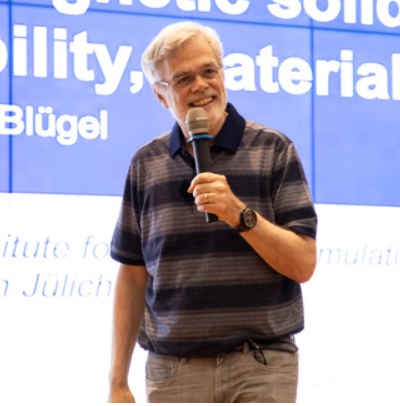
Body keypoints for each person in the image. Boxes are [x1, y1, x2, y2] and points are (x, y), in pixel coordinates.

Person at [108, 21, 318, 403]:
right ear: (161, 96)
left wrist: (240, 214)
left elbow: (303, 263)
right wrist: (117, 382)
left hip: (260, 364)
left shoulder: (274, 150)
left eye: (209, 71)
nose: (201, 85)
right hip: (174, 371)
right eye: (183, 78)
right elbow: (133, 276)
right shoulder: (146, 165)